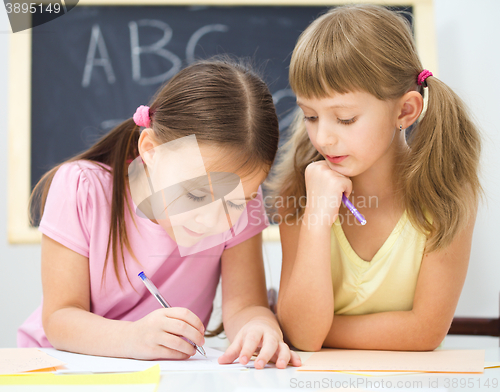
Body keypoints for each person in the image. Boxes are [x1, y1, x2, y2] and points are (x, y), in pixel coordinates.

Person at [18, 57, 301, 369]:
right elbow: (59, 319)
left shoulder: (245, 198)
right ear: (150, 150)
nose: (211, 219)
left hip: (164, 375)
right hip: (58, 368)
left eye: (234, 203)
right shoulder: (82, 187)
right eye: (195, 194)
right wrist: (133, 338)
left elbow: (246, 305)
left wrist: (259, 327)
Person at [270, 5, 482, 352]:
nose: (323, 137)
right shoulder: (301, 192)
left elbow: (425, 333)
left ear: (405, 110)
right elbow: (303, 338)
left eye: (346, 119)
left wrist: (322, 330)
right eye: (310, 116)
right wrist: (316, 220)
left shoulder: (447, 196)